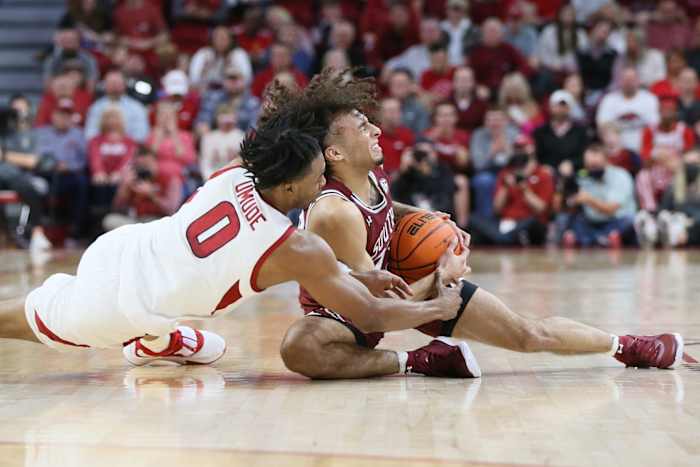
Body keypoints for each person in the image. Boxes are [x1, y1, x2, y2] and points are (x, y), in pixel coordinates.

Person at [269, 71, 684, 380]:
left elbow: (383, 207)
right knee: (300, 347)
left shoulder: (370, 175)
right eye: (363, 127)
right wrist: (439, 287)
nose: (377, 129)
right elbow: (371, 313)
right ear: (336, 153)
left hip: (396, 289)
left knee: (527, 333)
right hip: (344, 318)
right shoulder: (333, 213)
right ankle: (418, 360)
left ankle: (629, 347)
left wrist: (425, 218)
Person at [0, 100, 464, 369]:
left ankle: (160, 340)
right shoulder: (296, 247)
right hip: (119, 304)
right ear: (288, 186)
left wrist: (361, 277)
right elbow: (368, 315)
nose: (326, 182)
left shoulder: (238, 171)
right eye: (319, 175)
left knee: (205, 341)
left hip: (126, 248)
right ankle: (149, 333)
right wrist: (439, 307)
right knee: (13, 323)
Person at [470, 135, 553, 246]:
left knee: (534, 224)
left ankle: (501, 239)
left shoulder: (543, 174)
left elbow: (541, 209)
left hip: (528, 222)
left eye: (523, 147)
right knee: (473, 220)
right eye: (517, 148)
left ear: (532, 149)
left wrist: (524, 189)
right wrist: (505, 187)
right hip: (506, 222)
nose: (520, 151)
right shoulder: (506, 173)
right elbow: (497, 209)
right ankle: (505, 238)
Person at [559, 144, 637, 248]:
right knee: (567, 219)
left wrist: (589, 200)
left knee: (629, 221)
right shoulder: (582, 176)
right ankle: (598, 239)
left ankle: (598, 239)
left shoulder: (620, 176)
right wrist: (565, 180)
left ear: (607, 161)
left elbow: (611, 209)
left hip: (616, 220)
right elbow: (562, 206)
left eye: (596, 165)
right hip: (591, 222)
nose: (592, 169)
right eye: (589, 166)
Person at [102, 145, 182, 231]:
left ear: (155, 161)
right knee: (109, 220)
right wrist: (124, 186)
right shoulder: (135, 178)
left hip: (158, 222)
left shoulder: (170, 179)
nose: (144, 168)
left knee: (159, 228)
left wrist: (152, 195)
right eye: (140, 165)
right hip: (136, 222)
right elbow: (117, 208)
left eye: (147, 164)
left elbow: (172, 210)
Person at [596, 67, 660, 154]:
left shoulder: (650, 99)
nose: (629, 82)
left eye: (632, 79)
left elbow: (655, 125)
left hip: (644, 148)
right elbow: (603, 125)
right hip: (616, 150)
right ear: (619, 81)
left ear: (639, 80)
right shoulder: (609, 99)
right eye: (625, 79)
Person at [85, 69, 150, 143]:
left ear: (124, 84)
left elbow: (142, 136)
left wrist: (122, 144)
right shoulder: (96, 107)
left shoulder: (137, 107)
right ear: (105, 85)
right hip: (101, 151)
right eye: (111, 83)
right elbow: (90, 135)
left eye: (117, 83)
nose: (114, 86)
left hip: (130, 150)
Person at [188, 26, 252, 91]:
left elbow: (247, 79)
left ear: (231, 40)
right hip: (206, 92)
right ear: (212, 39)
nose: (220, 41)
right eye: (217, 38)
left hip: (231, 93)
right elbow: (193, 79)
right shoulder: (204, 53)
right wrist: (205, 70)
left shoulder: (238, 54)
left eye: (223, 38)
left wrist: (231, 71)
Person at [199, 104, 245, 179]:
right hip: (213, 177)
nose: (226, 123)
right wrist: (210, 178)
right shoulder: (208, 138)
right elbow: (205, 163)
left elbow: (243, 163)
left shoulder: (241, 136)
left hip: (234, 178)